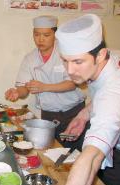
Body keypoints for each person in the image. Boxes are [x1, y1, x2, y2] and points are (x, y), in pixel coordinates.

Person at [55, 14, 120, 185]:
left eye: (77, 62)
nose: (70, 70)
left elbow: (91, 157)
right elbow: (101, 93)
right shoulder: (113, 57)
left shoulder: (114, 92)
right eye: (65, 60)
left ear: (100, 55)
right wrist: (84, 115)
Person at [5, 15, 86, 149]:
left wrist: (44, 87)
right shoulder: (30, 58)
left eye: (46, 35)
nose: (40, 39)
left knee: (73, 155)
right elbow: (24, 88)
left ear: (55, 34)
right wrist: (17, 93)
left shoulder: (66, 53)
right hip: (48, 116)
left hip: (73, 114)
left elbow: (73, 83)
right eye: (37, 35)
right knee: (52, 153)